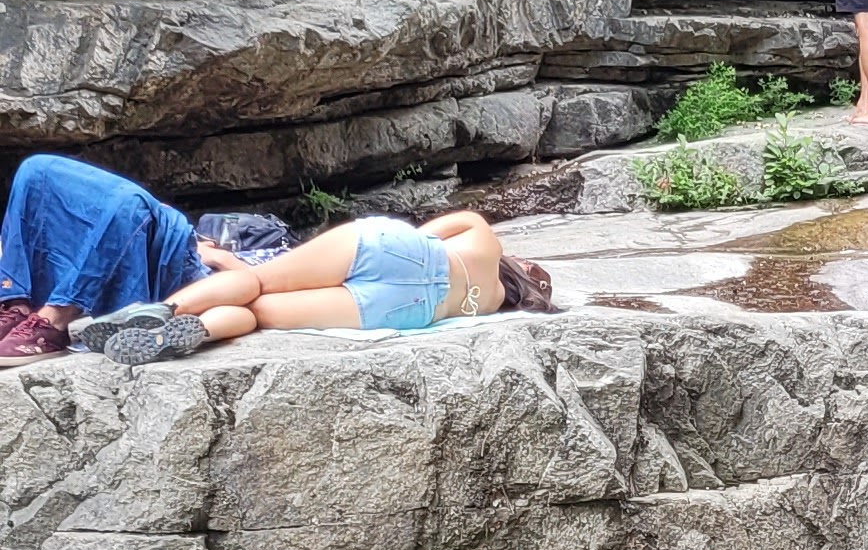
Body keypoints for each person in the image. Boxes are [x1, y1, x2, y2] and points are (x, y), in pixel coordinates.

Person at [67, 206, 551, 359]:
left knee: (257, 281)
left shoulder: (485, 238)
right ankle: (193, 332)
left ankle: (165, 310)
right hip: (404, 309)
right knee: (257, 315)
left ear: (520, 266)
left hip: (399, 251)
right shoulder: (490, 306)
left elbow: (425, 234)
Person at [0, 153, 254, 359]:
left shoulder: (262, 265)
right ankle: (17, 304)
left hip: (181, 268)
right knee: (36, 170)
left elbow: (253, 284)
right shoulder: (253, 229)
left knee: (131, 206)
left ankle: (54, 321)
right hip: (167, 241)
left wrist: (219, 258)